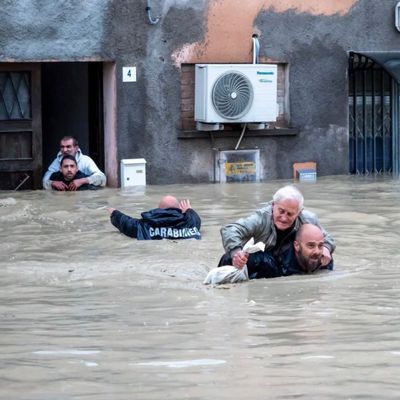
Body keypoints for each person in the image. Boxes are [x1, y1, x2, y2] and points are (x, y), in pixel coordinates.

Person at [218, 184, 335, 269]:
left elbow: (327, 239)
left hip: (285, 261)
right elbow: (230, 229)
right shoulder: (261, 218)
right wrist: (236, 253)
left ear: (299, 213)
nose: (284, 218)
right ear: (273, 205)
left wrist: (326, 249)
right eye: (281, 211)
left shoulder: (308, 219)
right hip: (260, 260)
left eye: (290, 214)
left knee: (325, 260)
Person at [244, 223, 334, 279]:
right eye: (311, 245)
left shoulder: (325, 259)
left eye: (320, 245)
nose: (317, 252)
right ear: (297, 246)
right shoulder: (272, 264)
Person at [107, 195, 201, 240]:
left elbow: (128, 224)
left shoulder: (145, 225)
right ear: (179, 210)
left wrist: (115, 214)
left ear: (159, 210)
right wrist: (189, 211)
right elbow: (196, 221)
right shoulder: (190, 223)